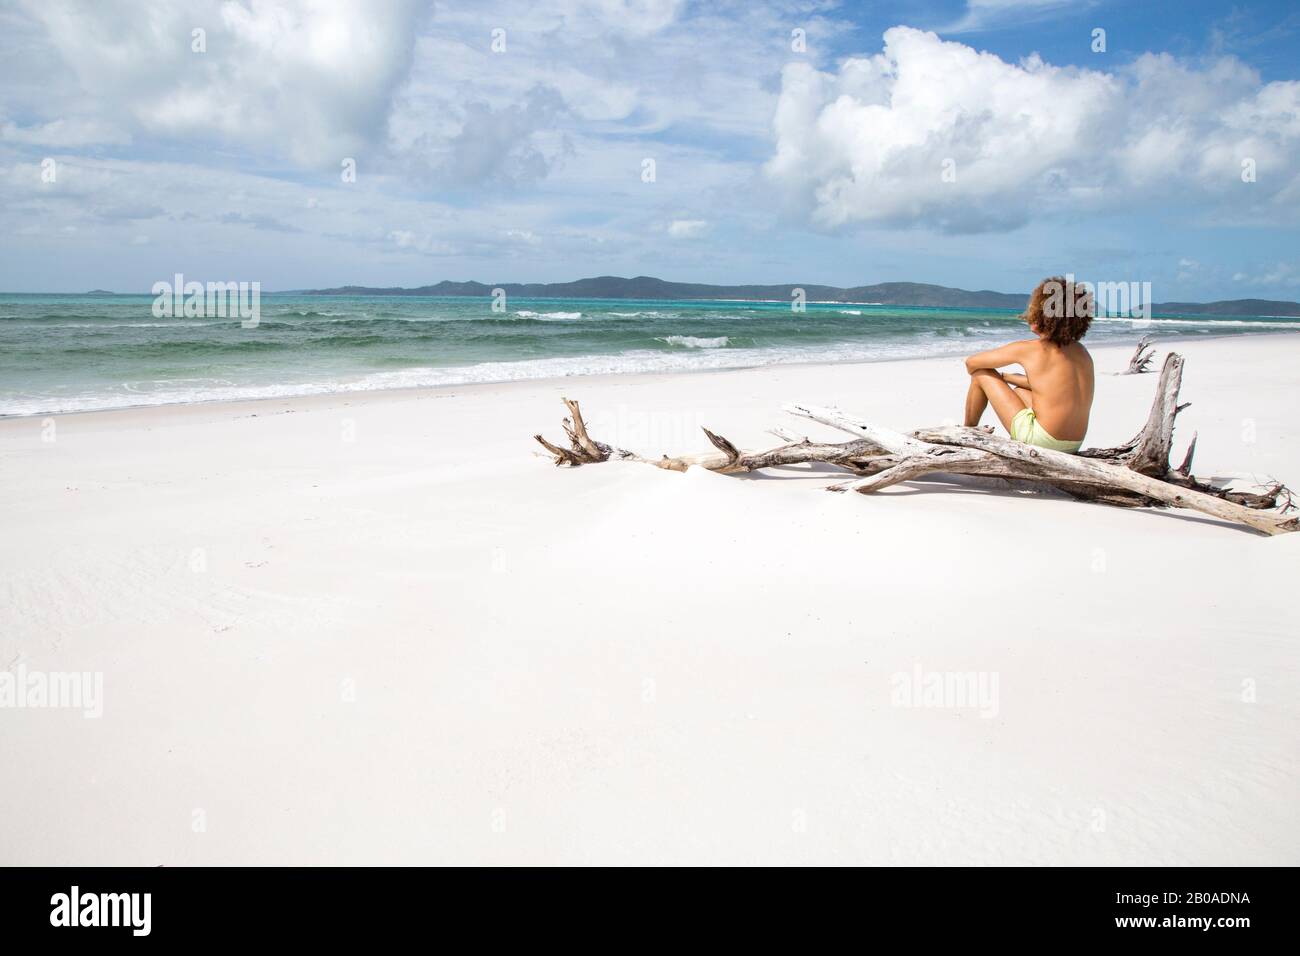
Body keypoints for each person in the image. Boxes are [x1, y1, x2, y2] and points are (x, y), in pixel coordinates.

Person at [963, 276, 1095, 453]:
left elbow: (971, 363)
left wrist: (995, 378)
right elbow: (1054, 388)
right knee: (1021, 392)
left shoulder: (1030, 349)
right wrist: (1006, 378)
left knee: (981, 374)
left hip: (1042, 442)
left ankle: (966, 433)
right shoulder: (1082, 352)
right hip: (1073, 443)